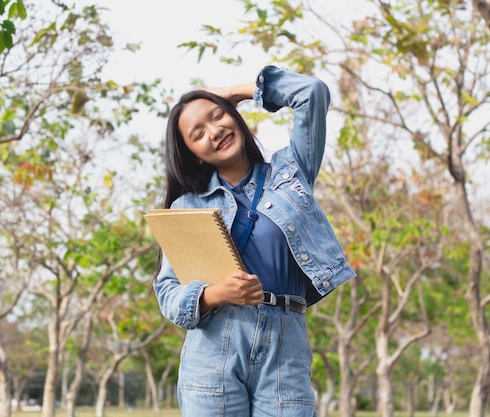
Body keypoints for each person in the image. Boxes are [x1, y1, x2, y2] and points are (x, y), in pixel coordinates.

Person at [152, 65, 355, 417]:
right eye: (198, 134)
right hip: (214, 347)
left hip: (285, 341)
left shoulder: (291, 172)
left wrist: (235, 92)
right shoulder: (187, 206)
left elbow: (312, 93)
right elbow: (167, 292)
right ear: (195, 154)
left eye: (218, 117)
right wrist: (215, 294)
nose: (214, 132)